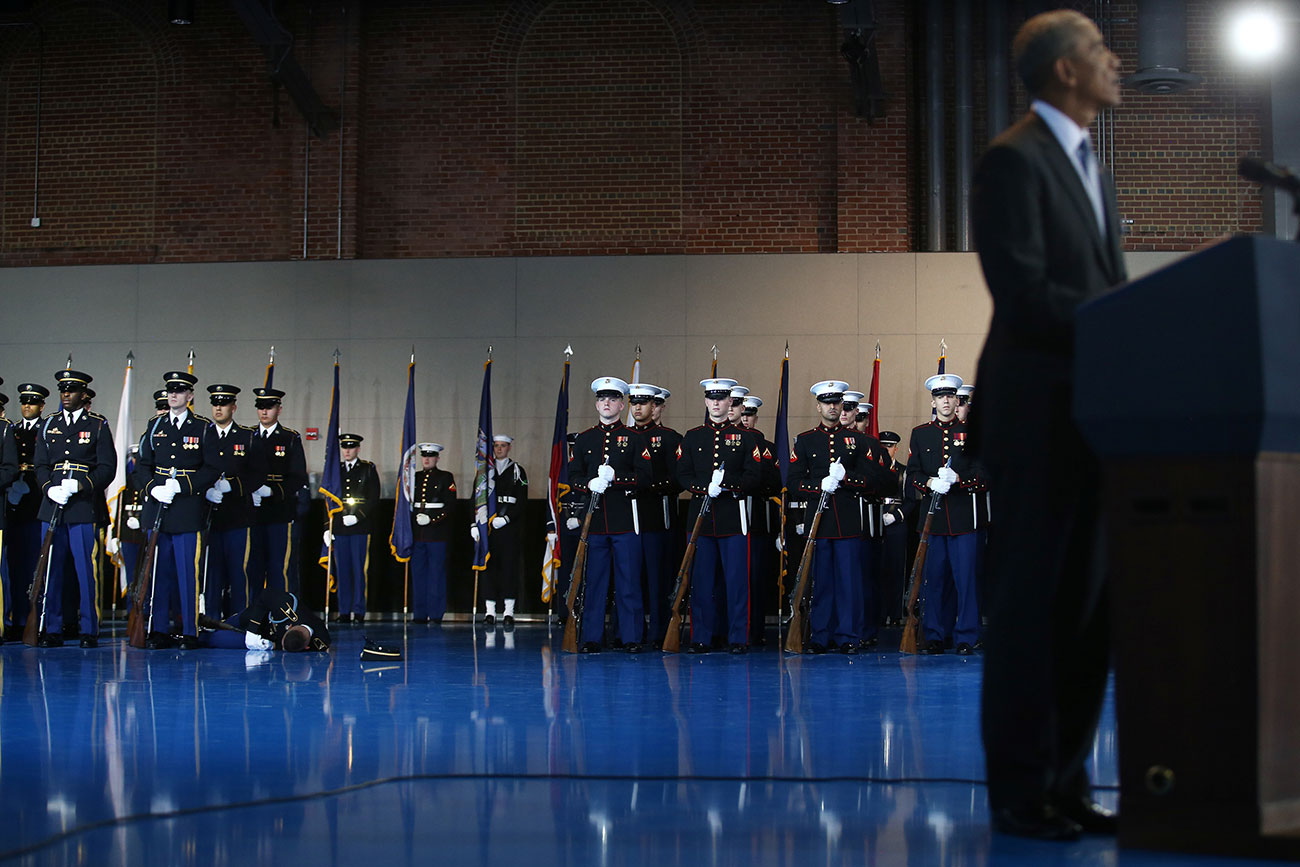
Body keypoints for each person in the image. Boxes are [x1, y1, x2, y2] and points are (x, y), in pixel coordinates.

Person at [970, 8, 1127, 842]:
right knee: (1033, 612)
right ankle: (1020, 791)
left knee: (1086, 611)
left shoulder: (1090, 163)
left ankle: (1067, 782)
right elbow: (1025, 294)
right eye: (1101, 51)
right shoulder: (1013, 159)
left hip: (1095, 416)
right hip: (1034, 418)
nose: (1115, 62)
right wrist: (1134, 313)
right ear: (1065, 71)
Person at [787, 380, 892, 654]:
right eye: (827, 402)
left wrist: (847, 478)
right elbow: (794, 480)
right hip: (818, 523)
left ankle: (848, 636)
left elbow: (874, 481)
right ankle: (820, 636)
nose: (832, 407)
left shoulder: (859, 440)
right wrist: (817, 485)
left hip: (847, 521)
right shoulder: (806, 440)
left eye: (837, 403)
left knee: (849, 583)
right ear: (818, 406)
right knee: (821, 583)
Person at [674, 378, 762, 654]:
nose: (716, 403)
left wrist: (726, 486)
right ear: (705, 402)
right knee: (701, 582)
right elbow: (682, 473)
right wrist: (703, 488)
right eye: (711, 398)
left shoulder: (747, 438)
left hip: (733, 518)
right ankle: (701, 637)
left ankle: (738, 637)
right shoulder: (693, 436)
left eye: (721, 399)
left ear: (730, 403)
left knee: (737, 582)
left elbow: (754, 475)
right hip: (700, 519)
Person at [133, 371, 220, 649]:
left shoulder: (202, 427)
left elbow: (212, 468)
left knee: (187, 572)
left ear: (190, 396)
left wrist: (183, 486)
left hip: (187, 508)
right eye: (170, 390)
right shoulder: (155, 424)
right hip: (159, 507)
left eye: (180, 391)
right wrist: (151, 488)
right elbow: (142, 466)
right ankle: (158, 629)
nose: (173, 395)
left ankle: (189, 630)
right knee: (159, 572)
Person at [33, 369, 117, 648]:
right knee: (51, 570)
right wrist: (49, 488)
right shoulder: (49, 424)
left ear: (83, 394)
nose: (66, 394)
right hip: (53, 504)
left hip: (82, 506)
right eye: (63, 390)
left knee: (85, 570)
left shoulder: (97, 424)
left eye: (71, 390)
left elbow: (107, 468)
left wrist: (81, 486)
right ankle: (52, 627)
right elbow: (40, 464)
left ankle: (88, 629)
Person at [568, 377, 652, 653]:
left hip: (625, 520)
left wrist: (618, 478)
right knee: (594, 582)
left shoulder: (634, 438)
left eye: (612, 398)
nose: (606, 403)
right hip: (594, 522)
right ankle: (591, 636)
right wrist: (589, 483)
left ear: (621, 404)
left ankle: (631, 637)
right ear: (597, 404)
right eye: (602, 398)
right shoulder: (585, 438)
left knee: (628, 583)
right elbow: (573, 474)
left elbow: (644, 477)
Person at [904, 373, 985, 655]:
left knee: (966, 582)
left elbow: (987, 474)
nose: (946, 401)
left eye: (951, 396)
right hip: (933, 520)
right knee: (934, 581)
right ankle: (936, 635)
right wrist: (928, 483)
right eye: (941, 397)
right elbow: (912, 473)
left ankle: (966, 636)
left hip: (964, 518)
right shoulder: (921, 433)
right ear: (934, 401)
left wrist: (959, 479)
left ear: (956, 399)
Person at [202, 384, 267, 619]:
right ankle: (210, 619)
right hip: (209, 516)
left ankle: (240, 620)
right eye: (215, 404)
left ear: (234, 407)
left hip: (239, 516)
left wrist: (234, 485)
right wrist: (206, 490)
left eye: (224, 404)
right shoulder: (203, 434)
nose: (218, 408)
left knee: (239, 573)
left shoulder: (247, 437)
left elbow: (259, 473)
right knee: (212, 574)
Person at [629, 383, 679, 646]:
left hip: (657, 516)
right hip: (628, 516)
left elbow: (677, 478)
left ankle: (659, 632)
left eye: (648, 403)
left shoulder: (669, 438)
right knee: (629, 579)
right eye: (634, 403)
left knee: (658, 579)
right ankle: (627, 632)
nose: (639, 408)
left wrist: (648, 486)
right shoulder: (624, 435)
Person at [248, 387, 307, 594]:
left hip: (280, 512)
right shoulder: (249, 436)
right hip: (252, 514)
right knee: (252, 568)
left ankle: (283, 616)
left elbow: (298, 477)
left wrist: (273, 491)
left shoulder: (290, 438)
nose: (264, 412)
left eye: (269, 407)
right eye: (260, 407)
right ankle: (255, 618)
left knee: (279, 568)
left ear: (278, 410)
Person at [4, 383, 49, 639]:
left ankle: (36, 617)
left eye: (32, 402)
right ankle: (16, 618)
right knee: (14, 565)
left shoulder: (47, 429)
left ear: (41, 406)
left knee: (36, 564)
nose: (27, 406)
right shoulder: (12, 430)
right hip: (14, 504)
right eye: (24, 402)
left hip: (36, 501)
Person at [738, 394, 781, 646]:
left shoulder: (767, 447)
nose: (745, 418)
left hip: (757, 520)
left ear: (755, 417)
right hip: (731, 516)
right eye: (742, 413)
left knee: (756, 578)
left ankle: (755, 630)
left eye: (749, 414)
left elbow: (774, 482)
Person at [325, 433, 380, 624]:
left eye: (351, 447)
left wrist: (357, 516)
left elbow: (373, 497)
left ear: (358, 449)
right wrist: (328, 527)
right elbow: (328, 498)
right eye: (344, 447)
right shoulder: (336, 470)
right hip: (340, 526)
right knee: (343, 571)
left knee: (359, 570)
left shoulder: (367, 468)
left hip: (359, 526)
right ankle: (344, 610)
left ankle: (358, 611)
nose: (347, 451)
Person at [475, 434, 526, 627]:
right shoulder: (484, 471)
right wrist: (475, 524)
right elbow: (477, 498)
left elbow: (521, 500)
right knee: (489, 569)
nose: (499, 449)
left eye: (503, 446)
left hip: (508, 527)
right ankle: (489, 612)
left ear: (509, 448)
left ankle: (508, 612)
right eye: (496, 446)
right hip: (488, 527)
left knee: (508, 569)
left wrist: (506, 518)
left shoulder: (518, 471)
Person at [410, 442, 456, 624]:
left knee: (436, 574)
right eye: (424, 456)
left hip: (437, 533)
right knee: (418, 574)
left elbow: (450, 505)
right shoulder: (414, 477)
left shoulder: (445, 477)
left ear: (437, 458)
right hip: (417, 533)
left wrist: (432, 519)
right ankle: (420, 613)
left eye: (430, 456)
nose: (426, 459)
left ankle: (436, 614)